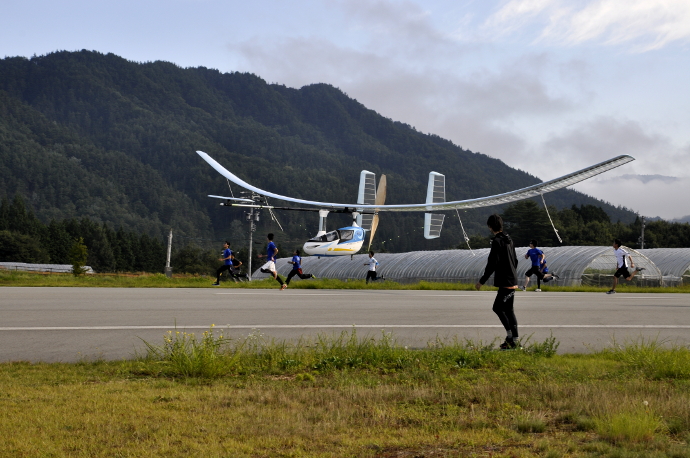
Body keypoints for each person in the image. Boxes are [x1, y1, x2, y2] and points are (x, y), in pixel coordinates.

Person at [475, 214, 520, 350]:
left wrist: (481, 281)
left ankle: (511, 337)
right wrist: (512, 273)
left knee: (498, 308)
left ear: (490, 227)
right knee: (508, 310)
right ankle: (513, 340)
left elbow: (492, 264)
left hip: (506, 281)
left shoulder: (497, 241)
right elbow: (515, 260)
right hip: (512, 279)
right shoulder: (509, 239)